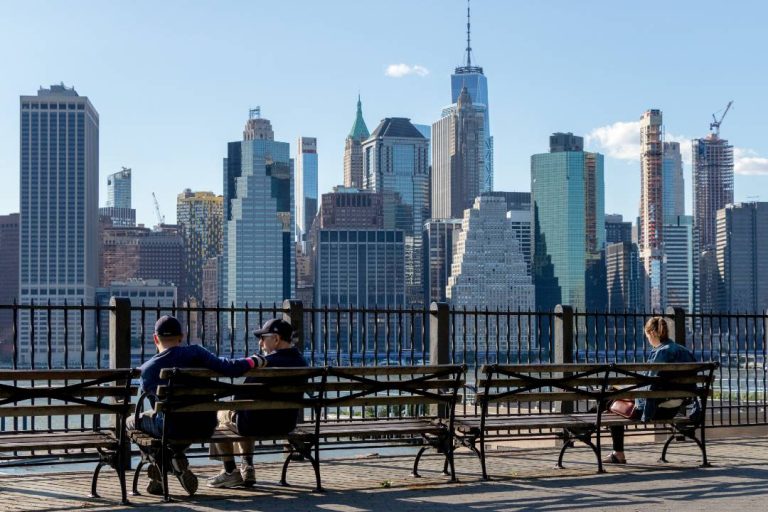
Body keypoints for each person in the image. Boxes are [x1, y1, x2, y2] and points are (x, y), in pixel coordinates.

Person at [129, 315, 263, 496]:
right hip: (205, 425)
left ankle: (164, 463)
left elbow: (156, 408)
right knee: (171, 424)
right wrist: (254, 360)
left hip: (173, 428)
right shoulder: (197, 353)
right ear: (181, 337)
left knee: (130, 422)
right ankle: (171, 462)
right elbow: (229, 367)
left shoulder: (148, 369)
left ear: (155, 339)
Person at [207, 318, 308, 488]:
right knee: (244, 413)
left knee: (219, 413)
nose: (260, 342)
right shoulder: (302, 363)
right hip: (286, 424)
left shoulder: (266, 364)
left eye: (263, 337)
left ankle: (231, 471)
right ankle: (247, 467)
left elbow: (240, 400)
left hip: (255, 425)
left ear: (276, 339)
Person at [603, 316, 697, 464]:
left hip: (654, 409)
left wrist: (629, 392)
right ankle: (610, 447)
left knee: (610, 398)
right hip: (675, 407)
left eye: (647, 336)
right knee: (612, 398)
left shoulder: (661, 352)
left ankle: (613, 449)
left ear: (652, 333)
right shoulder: (684, 351)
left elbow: (649, 387)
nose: (648, 340)